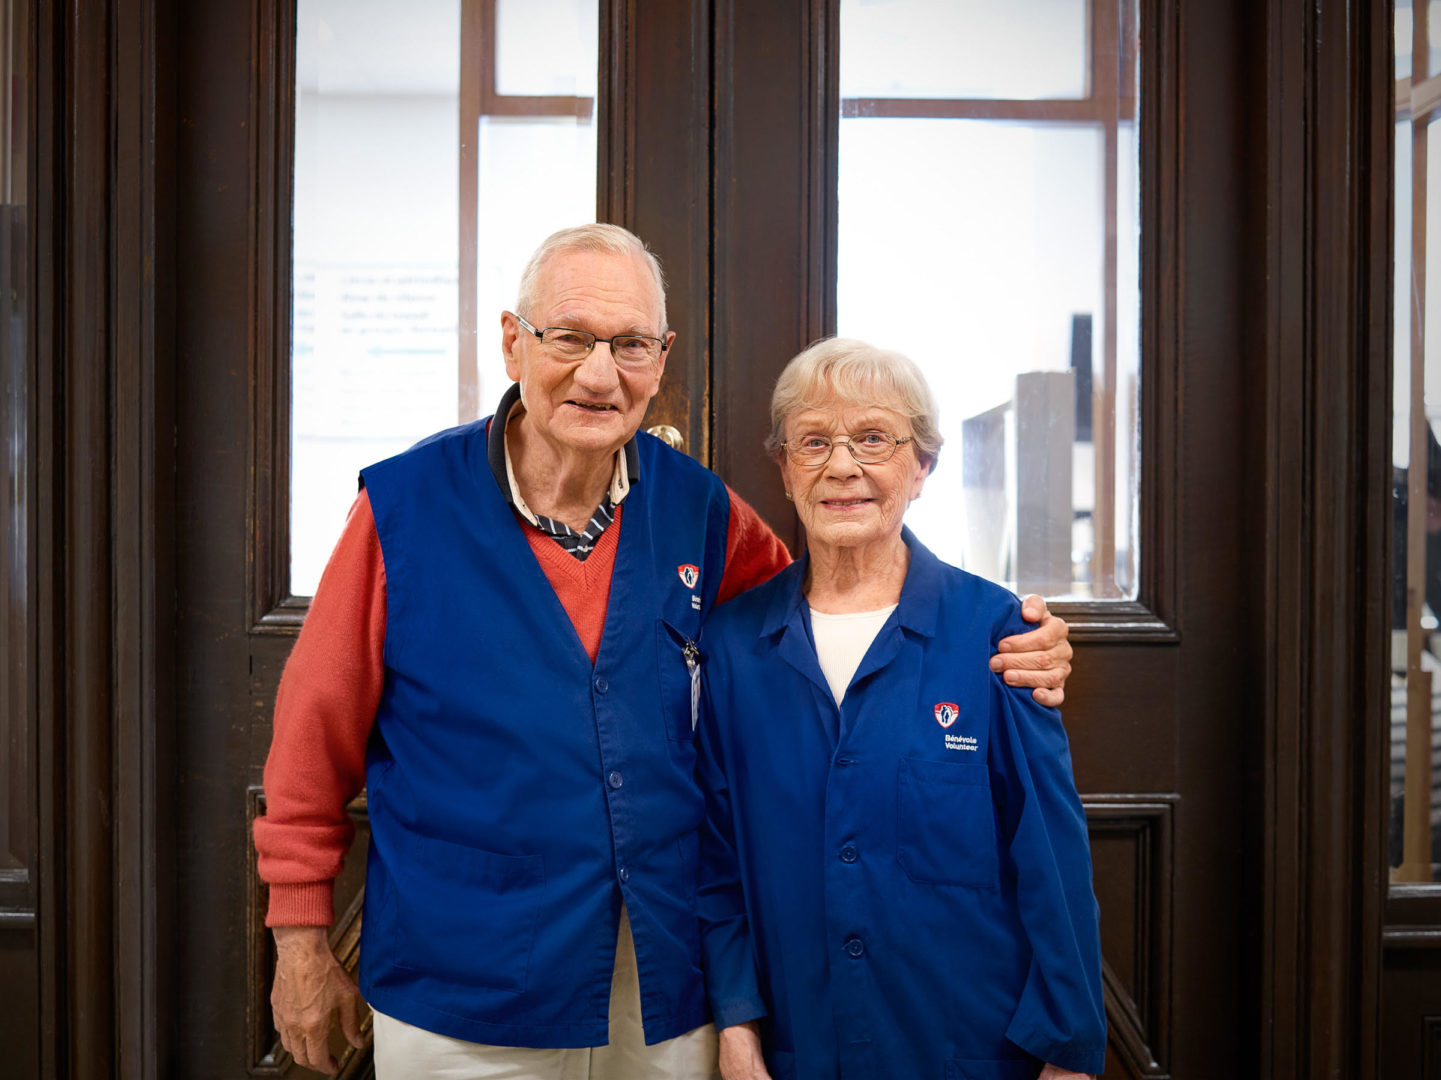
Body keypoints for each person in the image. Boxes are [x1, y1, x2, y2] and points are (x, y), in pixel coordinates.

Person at [254, 225, 1076, 1079]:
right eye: (570, 337)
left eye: (630, 345)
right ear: (513, 343)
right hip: (467, 980)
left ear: (660, 356)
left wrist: (1001, 641)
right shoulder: (403, 508)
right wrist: (301, 942)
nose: (599, 373)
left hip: (663, 978)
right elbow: (313, 738)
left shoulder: (699, 511)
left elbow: (830, 610)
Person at [697, 338, 1106, 1080]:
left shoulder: (997, 633)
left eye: (874, 439)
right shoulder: (731, 646)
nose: (842, 466)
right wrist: (735, 1022)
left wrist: (1068, 1050)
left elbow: (1049, 855)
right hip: (799, 1050)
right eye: (814, 441)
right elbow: (716, 860)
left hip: (970, 1049)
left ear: (922, 468)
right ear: (785, 468)